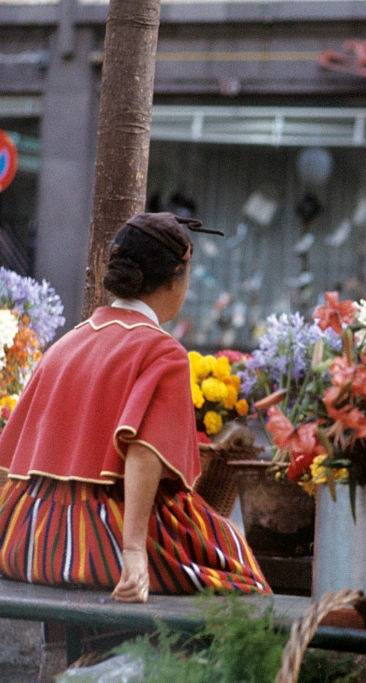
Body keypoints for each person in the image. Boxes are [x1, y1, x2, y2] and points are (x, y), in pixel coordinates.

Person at [0, 213, 268, 602]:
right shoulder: (163, 351)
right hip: (102, 544)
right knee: (240, 570)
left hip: (25, 539)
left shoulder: (66, 344)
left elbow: (9, 461)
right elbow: (144, 451)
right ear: (178, 276)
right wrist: (134, 551)